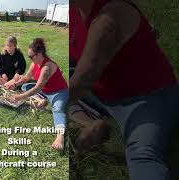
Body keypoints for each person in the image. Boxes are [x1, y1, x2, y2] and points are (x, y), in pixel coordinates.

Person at [69, 0, 179, 179]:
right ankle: (92, 123)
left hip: (145, 98)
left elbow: (82, 82)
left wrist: (38, 97)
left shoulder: (109, 17)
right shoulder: (75, 12)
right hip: (102, 92)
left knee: (142, 154)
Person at [5, 38, 69, 150]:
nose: (30, 59)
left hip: (58, 92)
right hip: (45, 91)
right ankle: (42, 100)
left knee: (57, 109)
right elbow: (26, 77)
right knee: (25, 86)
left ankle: (60, 136)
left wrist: (20, 96)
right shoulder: (35, 63)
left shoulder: (47, 67)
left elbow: (37, 87)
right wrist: (15, 85)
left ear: (39, 54)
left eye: (31, 56)